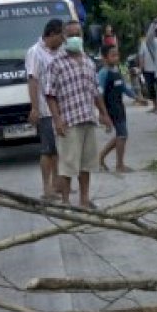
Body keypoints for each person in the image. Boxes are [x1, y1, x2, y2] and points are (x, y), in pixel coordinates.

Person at [45, 20, 113, 208]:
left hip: (87, 118)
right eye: (71, 34)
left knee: (87, 163)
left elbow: (96, 91)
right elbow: (50, 95)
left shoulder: (88, 62)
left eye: (78, 34)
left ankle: (84, 199)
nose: (75, 38)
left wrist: (104, 114)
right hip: (68, 121)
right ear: (64, 37)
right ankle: (66, 202)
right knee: (67, 165)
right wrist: (57, 119)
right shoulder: (56, 64)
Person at [26, 18, 66, 201]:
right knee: (48, 149)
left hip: (61, 107)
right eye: (61, 35)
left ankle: (58, 183)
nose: (63, 39)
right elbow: (32, 80)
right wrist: (34, 107)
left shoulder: (60, 52)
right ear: (51, 34)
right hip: (45, 108)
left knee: (59, 149)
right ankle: (46, 187)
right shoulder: (34, 53)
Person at [98, 44, 146, 172]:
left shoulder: (117, 71)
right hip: (111, 108)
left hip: (119, 106)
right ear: (105, 58)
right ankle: (119, 165)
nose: (116, 58)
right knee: (122, 134)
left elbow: (124, 88)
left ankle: (101, 157)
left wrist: (137, 98)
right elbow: (98, 94)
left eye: (117, 55)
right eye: (112, 55)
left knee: (121, 135)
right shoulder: (103, 74)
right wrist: (103, 113)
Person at [138, 34, 157, 113]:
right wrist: (141, 68)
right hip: (148, 69)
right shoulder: (144, 43)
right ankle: (155, 106)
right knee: (151, 88)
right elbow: (141, 56)